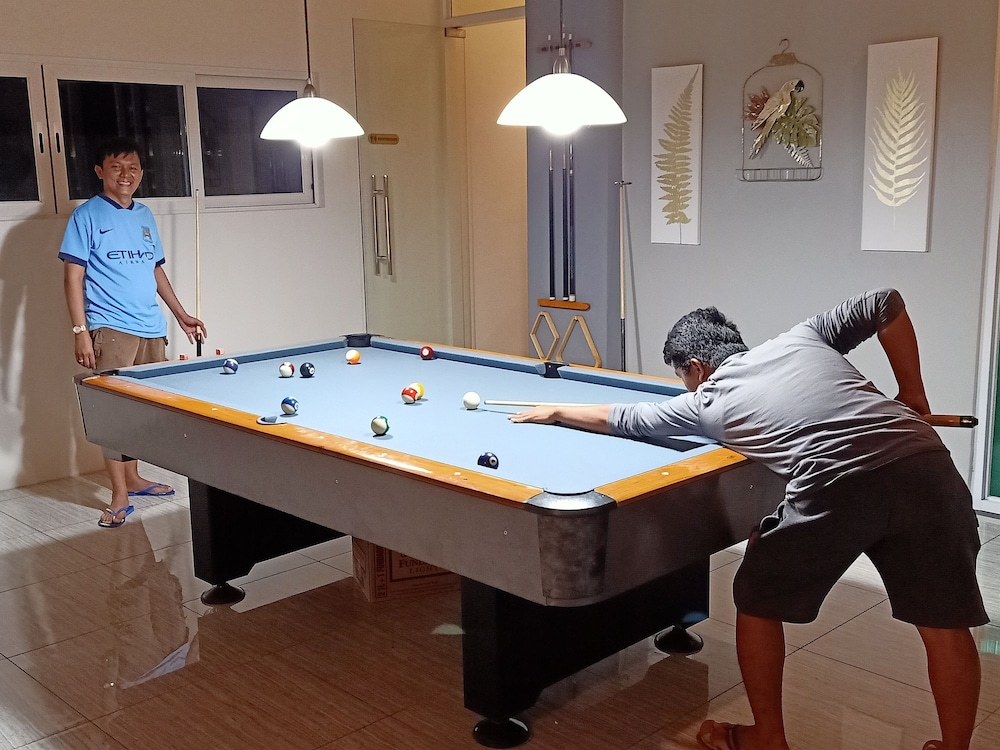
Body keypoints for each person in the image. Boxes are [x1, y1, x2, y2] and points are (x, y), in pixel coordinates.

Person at [510, 288, 987, 750]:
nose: (688, 387)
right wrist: (913, 393)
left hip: (839, 481)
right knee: (944, 622)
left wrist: (557, 410)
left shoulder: (708, 401)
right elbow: (884, 302)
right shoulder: (803, 337)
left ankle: (767, 738)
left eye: (683, 377)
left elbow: (626, 418)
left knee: (756, 598)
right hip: (928, 466)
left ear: (696, 367)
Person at [60, 137, 206, 529]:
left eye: (133, 168)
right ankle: (119, 495)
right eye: (116, 167)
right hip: (110, 329)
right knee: (112, 415)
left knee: (140, 413)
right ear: (100, 171)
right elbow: (72, 277)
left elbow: (155, 269)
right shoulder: (86, 216)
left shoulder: (144, 216)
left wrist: (180, 315)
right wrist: (80, 331)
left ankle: (135, 479)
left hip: (151, 328)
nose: (126, 175)